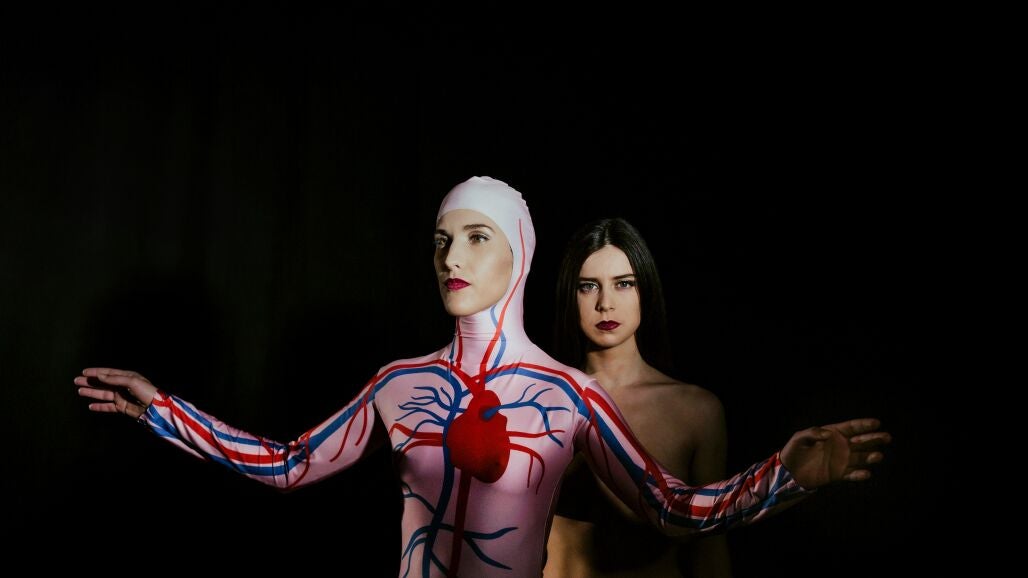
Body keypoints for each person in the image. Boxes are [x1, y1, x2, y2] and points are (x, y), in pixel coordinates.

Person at [75, 177, 890, 578]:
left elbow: (672, 508)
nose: (452, 258)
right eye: (441, 240)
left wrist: (786, 475)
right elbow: (287, 464)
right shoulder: (397, 383)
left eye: (475, 238)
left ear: (518, 255)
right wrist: (160, 410)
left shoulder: (571, 396)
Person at [545, 217, 730, 577]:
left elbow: (710, 549)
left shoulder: (696, 411)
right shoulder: (538, 402)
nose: (605, 303)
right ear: (569, 294)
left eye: (624, 283)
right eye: (588, 286)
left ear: (645, 288)